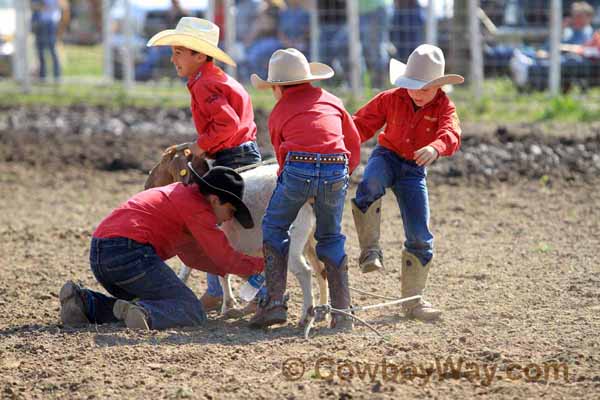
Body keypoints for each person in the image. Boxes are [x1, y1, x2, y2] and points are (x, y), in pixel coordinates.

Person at [146, 18, 263, 312]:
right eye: (172, 52)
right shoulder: (214, 78)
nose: (173, 59)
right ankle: (229, 289)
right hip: (244, 152)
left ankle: (228, 290)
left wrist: (198, 147)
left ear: (199, 55)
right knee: (230, 222)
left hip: (232, 157)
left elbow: (227, 124)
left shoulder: (205, 84)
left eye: (178, 52)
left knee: (207, 217)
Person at [59, 167, 264, 330]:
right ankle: (145, 312)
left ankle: (86, 302)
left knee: (161, 303)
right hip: (130, 253)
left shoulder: (179, 197)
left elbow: (194, 256)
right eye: (230, 209)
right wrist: (262, 265)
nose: (230, 217)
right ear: (215, 199)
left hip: (102, 254)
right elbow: (224, 257)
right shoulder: (198, 210)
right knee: (191, 310)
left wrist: (240, 271)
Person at [248, 48, 361, 330]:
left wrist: (298, 185)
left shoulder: (279, 111)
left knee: (274, 227)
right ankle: (342, 310)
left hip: (297, 166)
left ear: (277, 86)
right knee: (331, 236)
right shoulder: (333, 101)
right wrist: (340, 176)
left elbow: (281, 157)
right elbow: (353, 144)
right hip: (337, 166)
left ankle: (274, 302)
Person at [351, 44, 464, 321]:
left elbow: (452, 132)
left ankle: (413, 302)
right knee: (370, 184)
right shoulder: (391, 98)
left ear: (439, 87)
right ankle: (370, 251)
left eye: (424, 88)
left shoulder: (445, 107)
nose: (417, 92)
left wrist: (436, 147)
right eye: (413, 86)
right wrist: (337, 143)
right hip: (387, 156)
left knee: (420, 234)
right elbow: (361, 124)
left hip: (415, 169)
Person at [31, 0, 63, 82]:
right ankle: (42, 76)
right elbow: (34, 5)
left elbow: (60, 5)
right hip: (39, 22)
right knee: (40, 51)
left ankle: (57, 76)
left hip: (50, 23)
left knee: (53, 50)